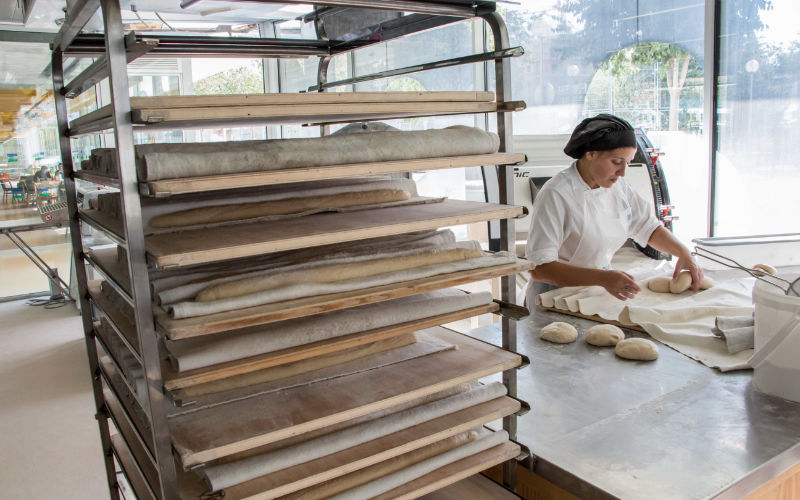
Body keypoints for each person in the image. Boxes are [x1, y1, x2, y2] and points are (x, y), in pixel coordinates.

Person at [525, 114, 703, 305]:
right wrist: (603, 278)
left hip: (596, 292)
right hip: (555, 297)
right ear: (591, 153)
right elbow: (540, 268)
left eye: (627, 162)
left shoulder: (618, 187)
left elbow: (647, 227)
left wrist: (683, 252)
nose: (622, 172)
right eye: (616, 162)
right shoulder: (556, 194)